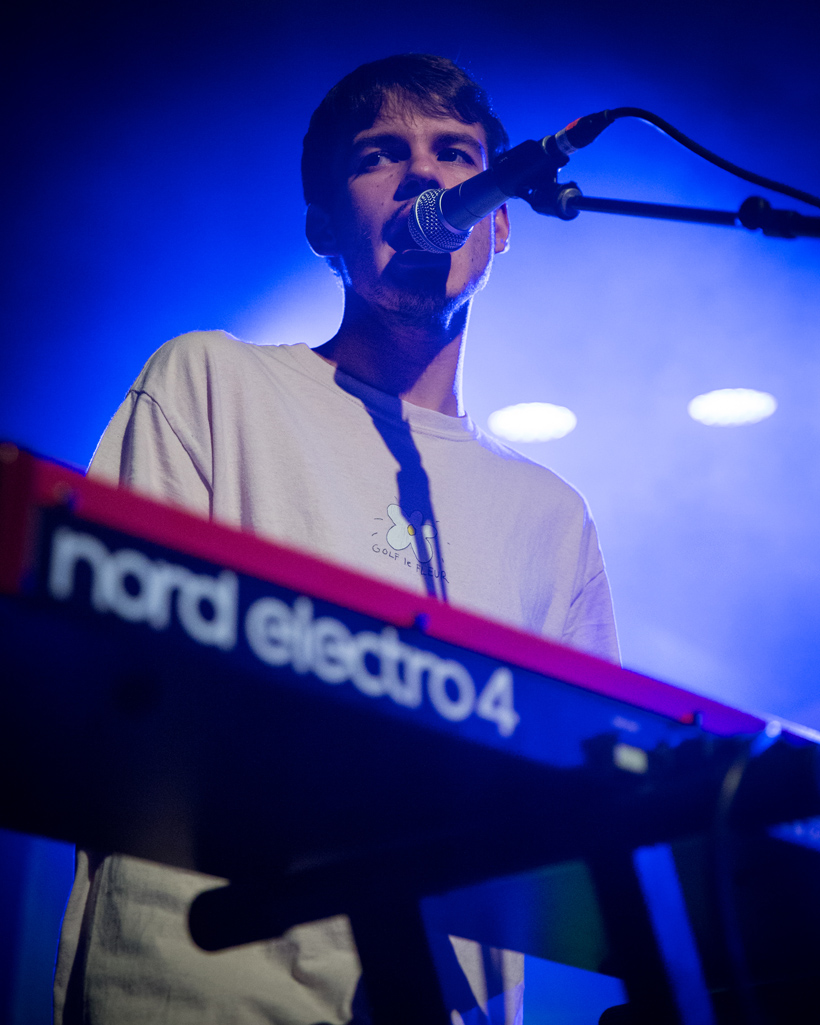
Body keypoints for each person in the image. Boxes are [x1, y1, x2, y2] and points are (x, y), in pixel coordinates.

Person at [53, 54, 619, 1025]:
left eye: (456, 154)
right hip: (196, 992)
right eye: (380, 155)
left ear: (500, 220)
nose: (425, 177)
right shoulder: (211, 383)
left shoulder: (552, 518)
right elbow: (112, 682)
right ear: (323, 227)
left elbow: (587, 820)